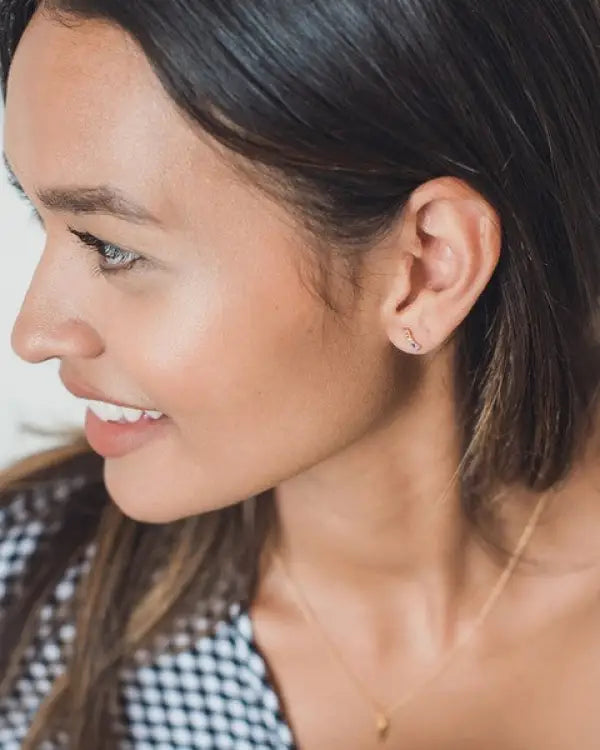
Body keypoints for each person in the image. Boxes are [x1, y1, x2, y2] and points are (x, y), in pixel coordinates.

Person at [1, 0, 600, 748]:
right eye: (38, 215)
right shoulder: (24, 614)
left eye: (113, 247)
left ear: (426, 268)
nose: (33, 334)